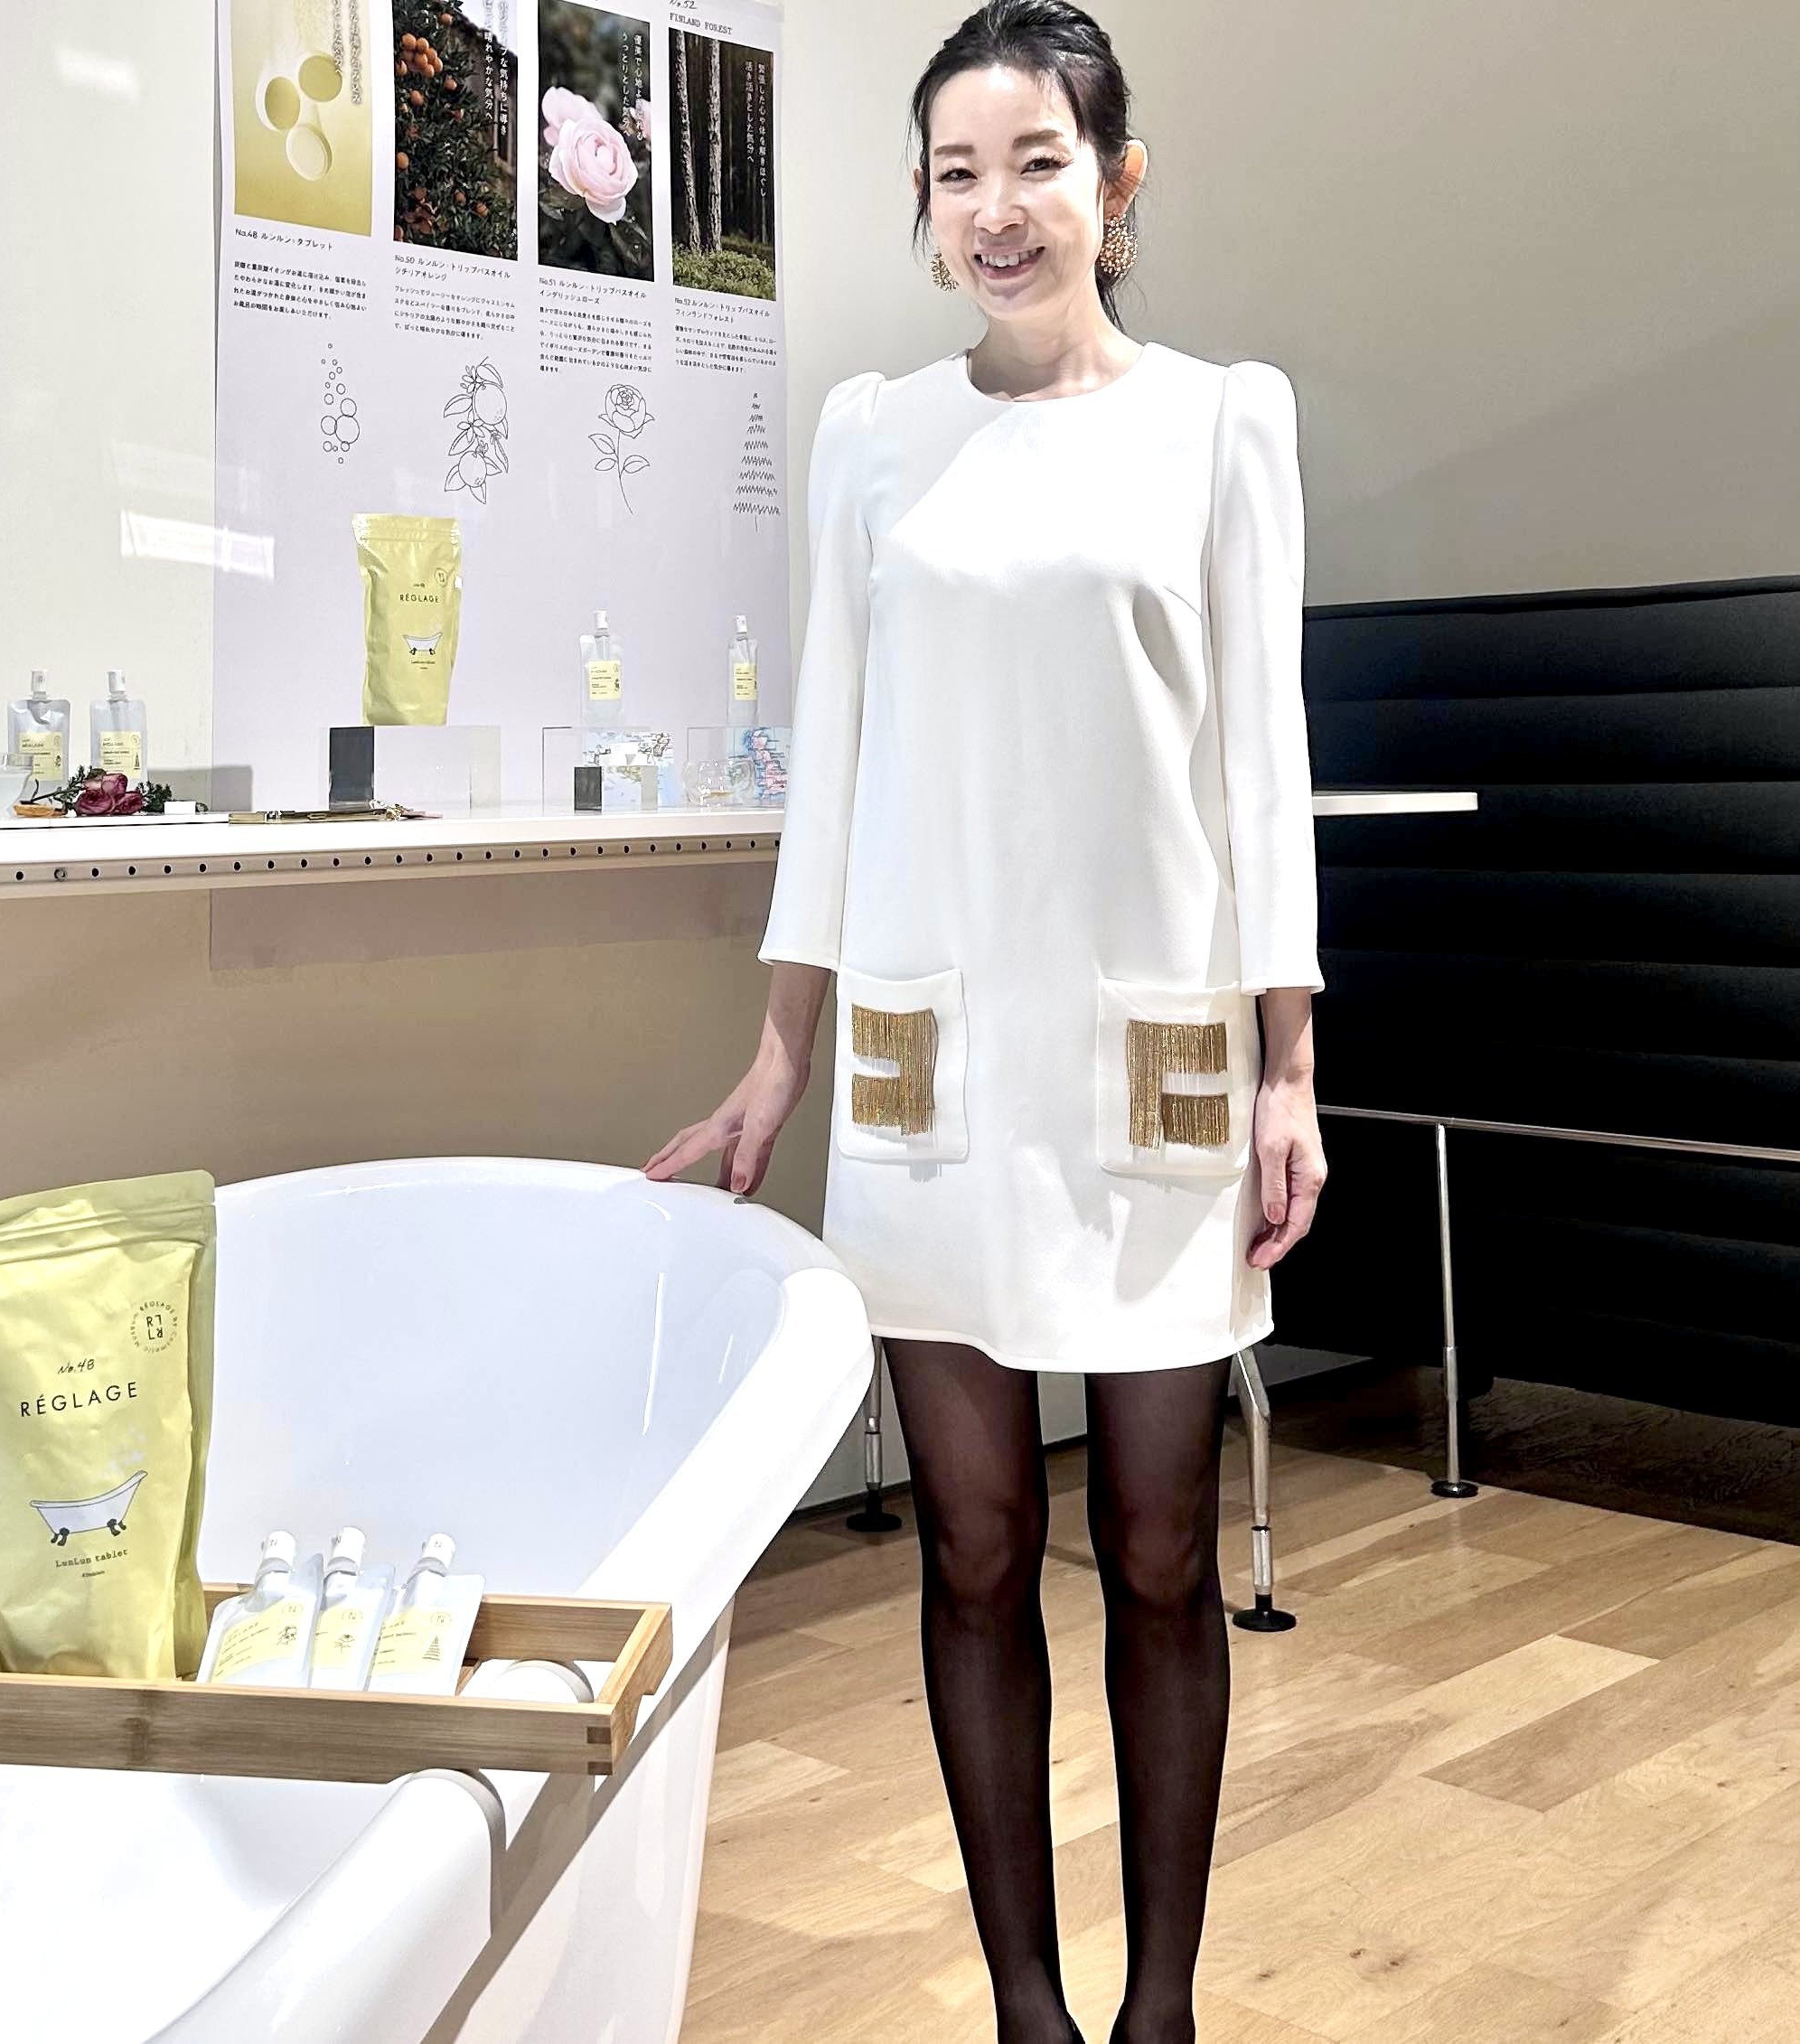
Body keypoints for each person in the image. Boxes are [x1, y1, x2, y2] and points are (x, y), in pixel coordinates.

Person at [644, 5, 1328, 2038]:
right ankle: (1029, 2010)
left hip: (1152, 1069)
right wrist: (779, 1055)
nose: (997, 208)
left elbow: (1264, 773)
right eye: (958, 173)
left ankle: (1159, 2011)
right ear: (924, 204)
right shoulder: (871, 436)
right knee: (970, 1544)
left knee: (1158, 1549)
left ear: (1115, 186)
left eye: (1037, 162)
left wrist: (1289, 1067)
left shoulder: (1223, 423)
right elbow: (835, 774)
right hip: (925, 1069)